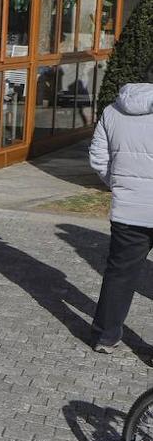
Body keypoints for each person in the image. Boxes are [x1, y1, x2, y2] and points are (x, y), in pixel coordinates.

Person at [90, 63, 153, 353]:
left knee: (119, 274)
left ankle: (105, 336)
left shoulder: (112, 111)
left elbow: (98, 159)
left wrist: (119, 186)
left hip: (128, 210)